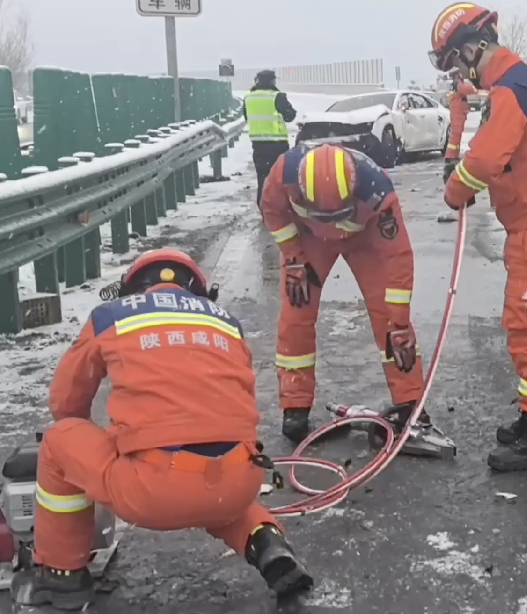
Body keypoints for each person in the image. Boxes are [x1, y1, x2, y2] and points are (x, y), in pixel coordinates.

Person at [14, 249, 312, 610]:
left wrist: (98, 449)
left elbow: (66, 404)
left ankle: (62, 576)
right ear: (198, 290)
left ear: (132, 287)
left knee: (59, 440)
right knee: (217, 492)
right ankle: (268, 543)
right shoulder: (226, 322)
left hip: (152, 491)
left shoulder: (110, 316)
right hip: (237, 482)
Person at [430, 2, 527, 472]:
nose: (459, 72)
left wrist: (456, 191)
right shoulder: (524, 82)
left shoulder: (509, 92)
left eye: (456, 61)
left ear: (473, 48)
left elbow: (483, 159)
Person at [259, 142, 442, 446]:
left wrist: (399, 322)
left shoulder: (378, 191)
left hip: (364, 239)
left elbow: (398, 258)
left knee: (390, 321)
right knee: (295, 318)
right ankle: (295, 406)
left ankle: (410, 403)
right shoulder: (284, 175)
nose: (332, 223)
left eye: (338, 214)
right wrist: (293, 258)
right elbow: (272, 211)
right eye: (324, 215)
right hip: (309, 241)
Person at [244, 69, 298, 206]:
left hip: (257, 144)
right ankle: (279, 207)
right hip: (277, 144)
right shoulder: (276, 96)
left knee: (262, 178)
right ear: (272, 81)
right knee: (280, 178)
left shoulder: (249, 97)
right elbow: (290, 116)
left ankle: (263, 206)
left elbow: (246, 117)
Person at [442, 71, 477, 182]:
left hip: (458, 110)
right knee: (456, 134)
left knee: (456, 135)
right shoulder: (457, 83)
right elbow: (465, 90)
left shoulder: (455, 83)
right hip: (458, 110)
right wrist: (474, 88)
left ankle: (453, 155)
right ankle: (451, 156)